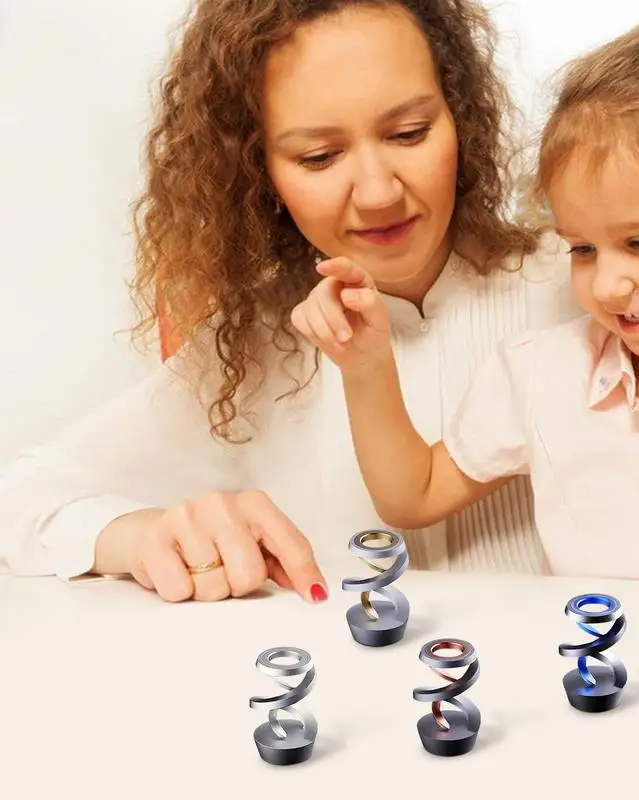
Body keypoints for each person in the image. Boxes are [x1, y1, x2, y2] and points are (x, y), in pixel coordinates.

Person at [0, 0, 581, 602]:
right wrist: (140, 535)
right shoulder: (250, 349)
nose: (380, 193)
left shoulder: (586, 287)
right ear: (258, 171)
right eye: (319, 157)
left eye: (409, 133)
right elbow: (19, 496)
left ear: (459, 117)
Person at [291, 2, 639, 617]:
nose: (608, 284)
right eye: (582, 248)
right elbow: (413, 495)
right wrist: (365, 364)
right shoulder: (542, 373)